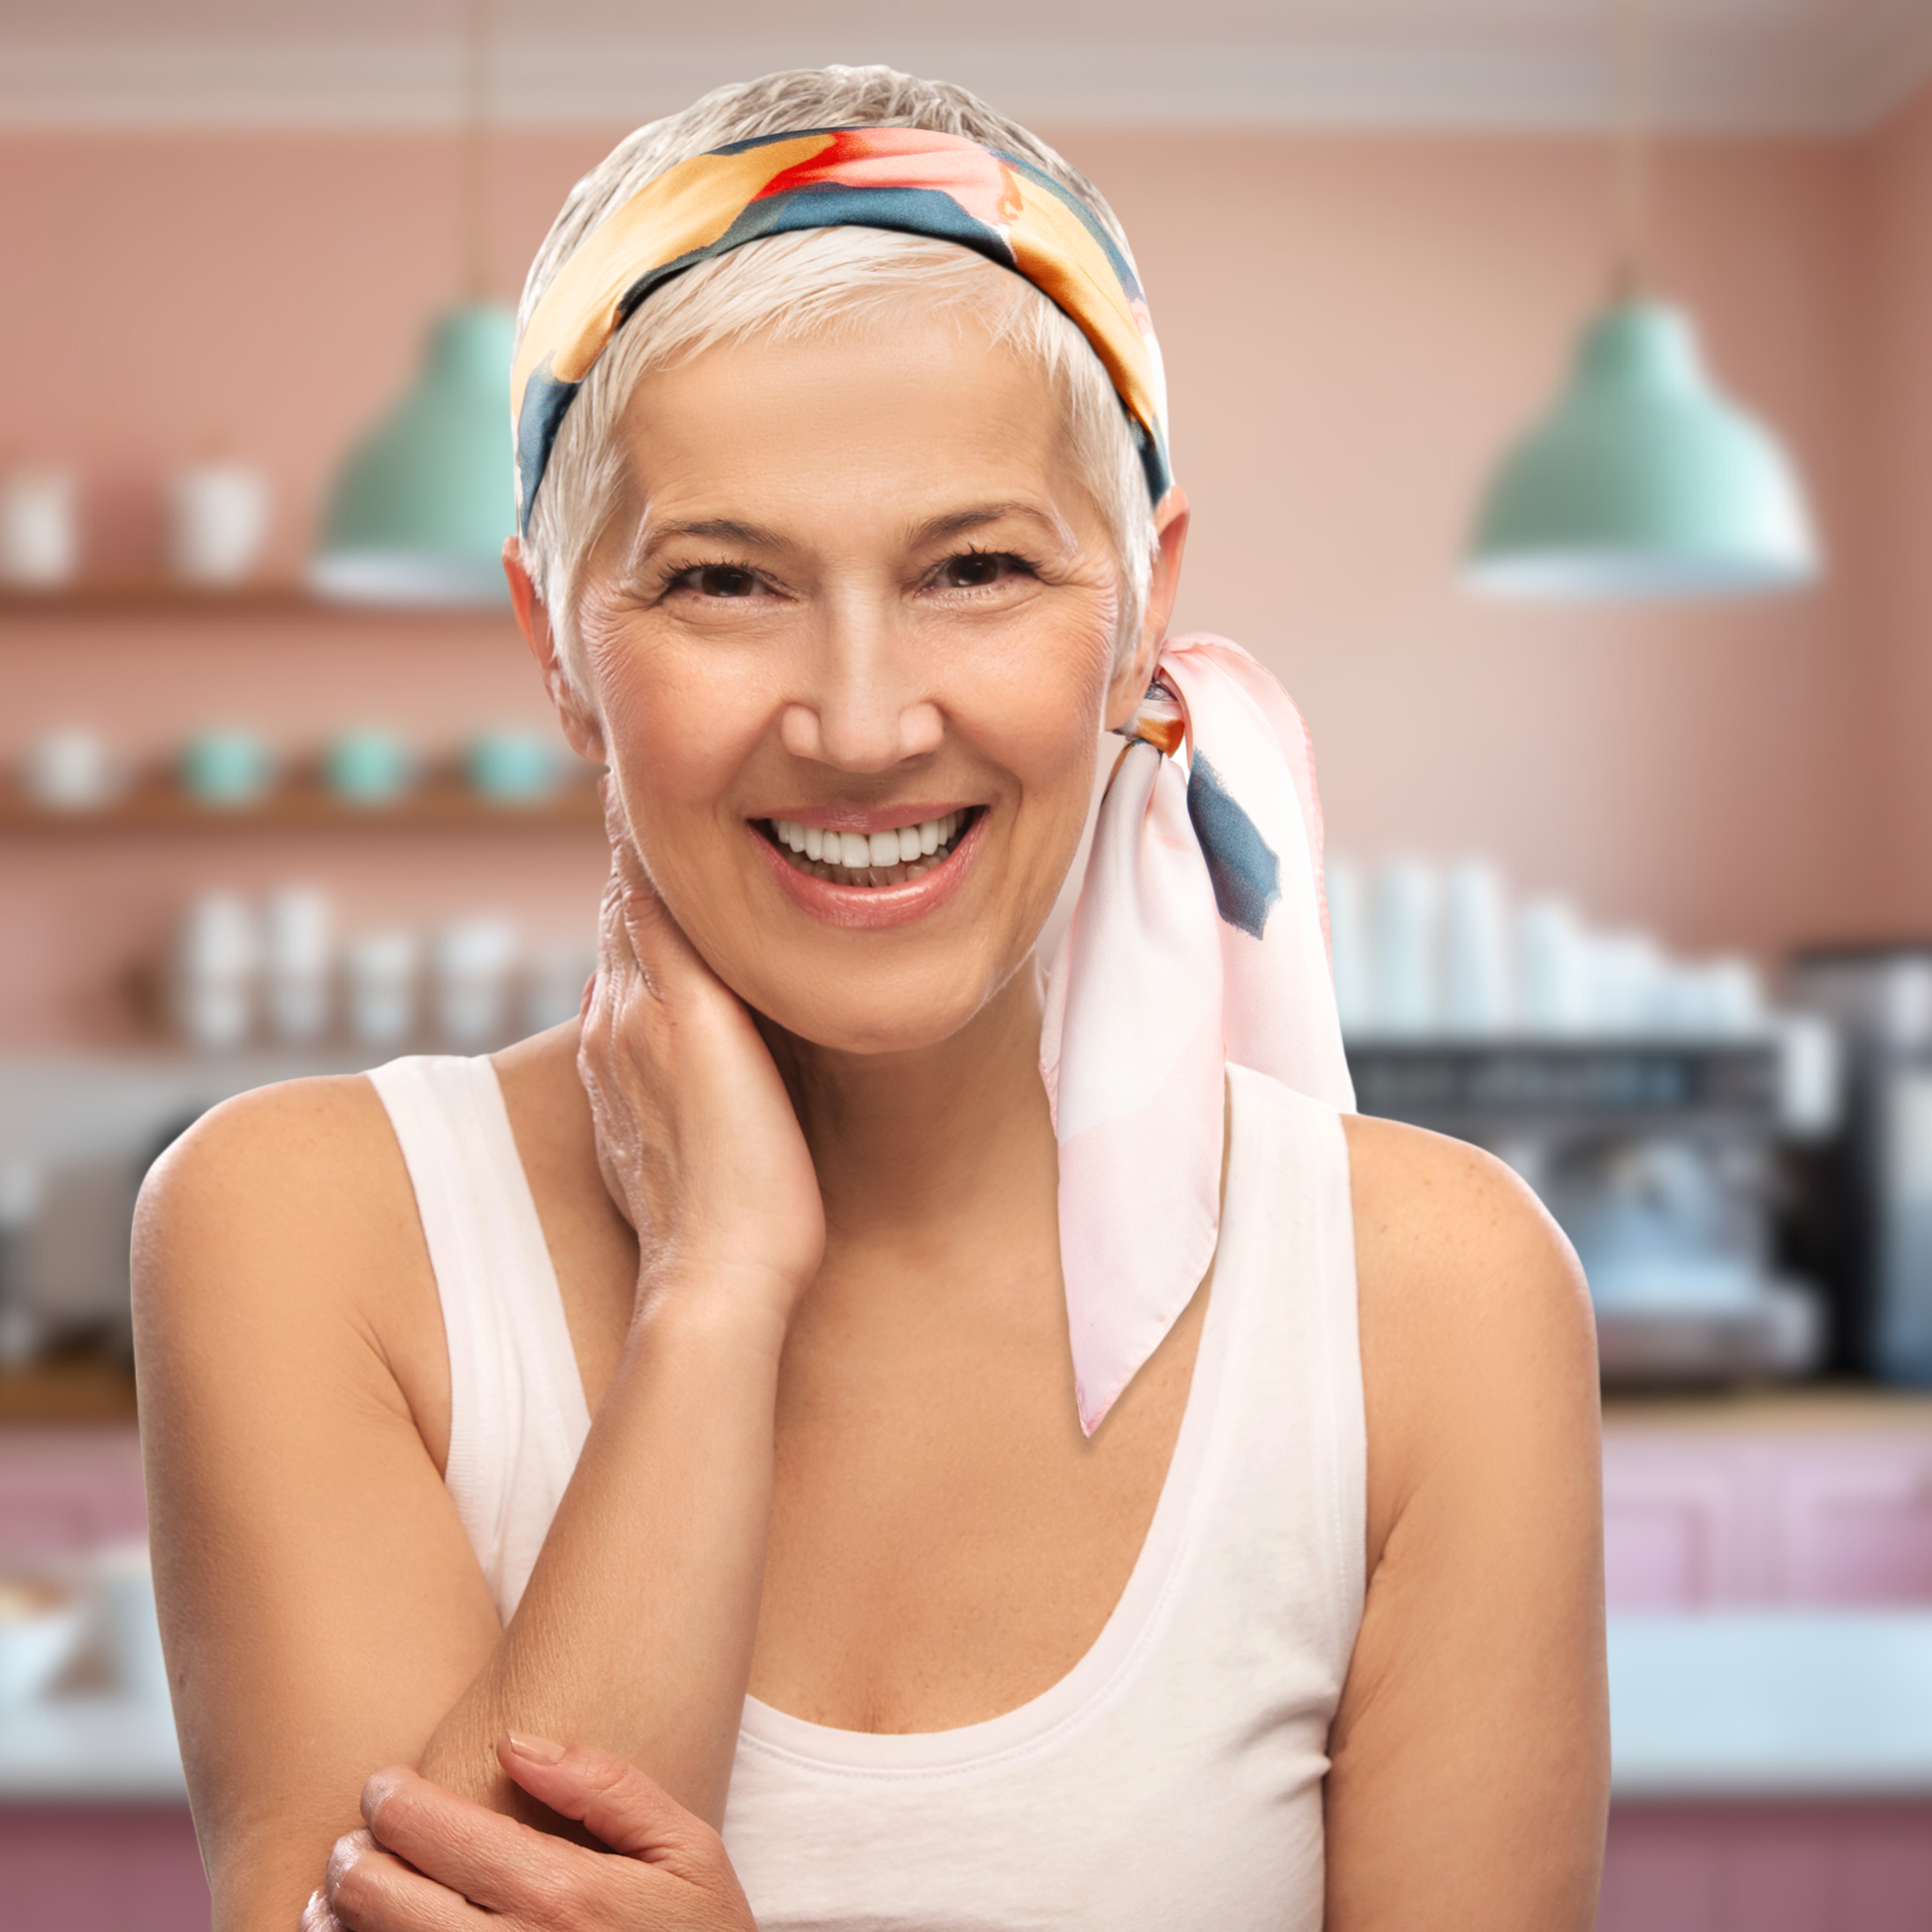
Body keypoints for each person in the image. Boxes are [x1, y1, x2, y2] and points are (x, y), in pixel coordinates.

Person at [134, 66, 1608, 1932]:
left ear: (1140, 611)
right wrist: (714, 1286)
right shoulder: (304, 1231)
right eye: (724, 579)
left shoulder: (1439, 1301)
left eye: (975, 567)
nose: (857, 720)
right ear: (555, 645)